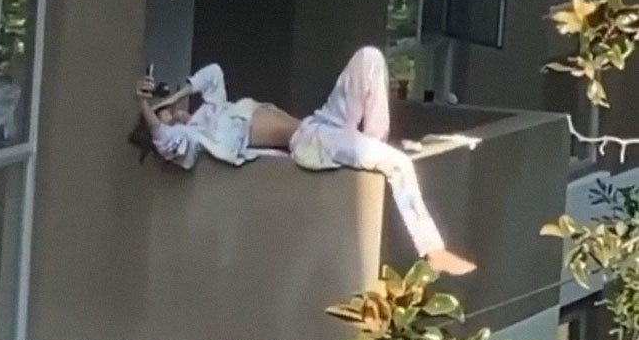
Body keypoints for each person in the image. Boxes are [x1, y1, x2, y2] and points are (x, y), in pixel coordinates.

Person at [132, 46, 476, 277]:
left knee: (369, 57)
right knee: (400, 164)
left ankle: (371, 147)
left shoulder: (211, 109)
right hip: (308, 144)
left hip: (318, 123)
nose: (175, 111)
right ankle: (433, 249)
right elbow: (165, 141)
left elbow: (213, 73)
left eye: (173, 107)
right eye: (168, 113)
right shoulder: (195, 139)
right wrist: (145, 106)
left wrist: (174, 94)